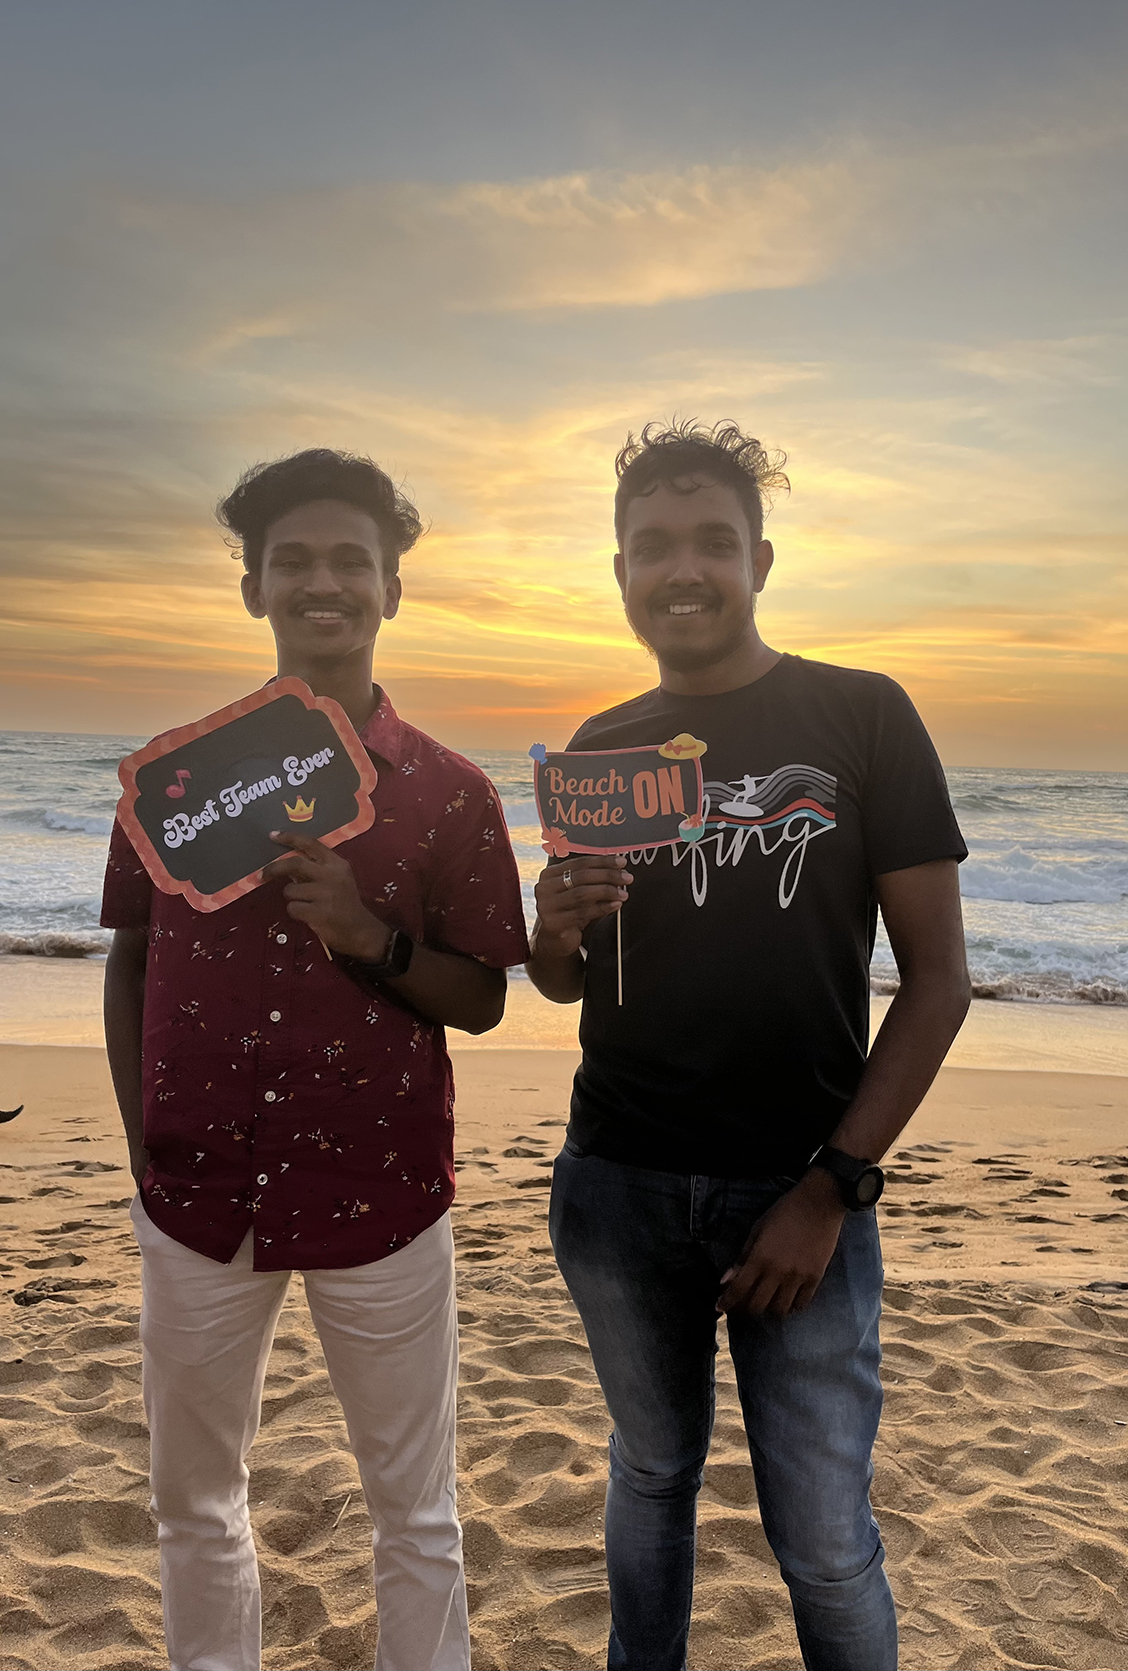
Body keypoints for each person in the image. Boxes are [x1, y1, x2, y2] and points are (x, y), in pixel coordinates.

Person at [526, 420, 971, 1671]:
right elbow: (568, 983)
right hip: (617, 1182)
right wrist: (550, 927)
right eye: (653, 546)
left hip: (801, 1187)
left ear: (759, 561)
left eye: (713, 542)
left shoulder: (863, 714)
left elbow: (939, 985)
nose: (684, 569)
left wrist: (831, 1192)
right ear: (620, 572)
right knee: (651, 1471)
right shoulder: (601, 748)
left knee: (824, 1537)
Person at [103, 449, 529, 1671]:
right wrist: (143, 1147)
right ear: (255, 588)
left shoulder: (449, 793)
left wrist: (366, 936)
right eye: (293, 561)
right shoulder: (175, 784)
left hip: (381, 1188)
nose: (323, 583)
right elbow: (131, 964)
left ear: (394, 586)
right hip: (195, 1194)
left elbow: (484, 998)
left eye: (352, 561)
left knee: (416, 1510)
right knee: (194, 1500)